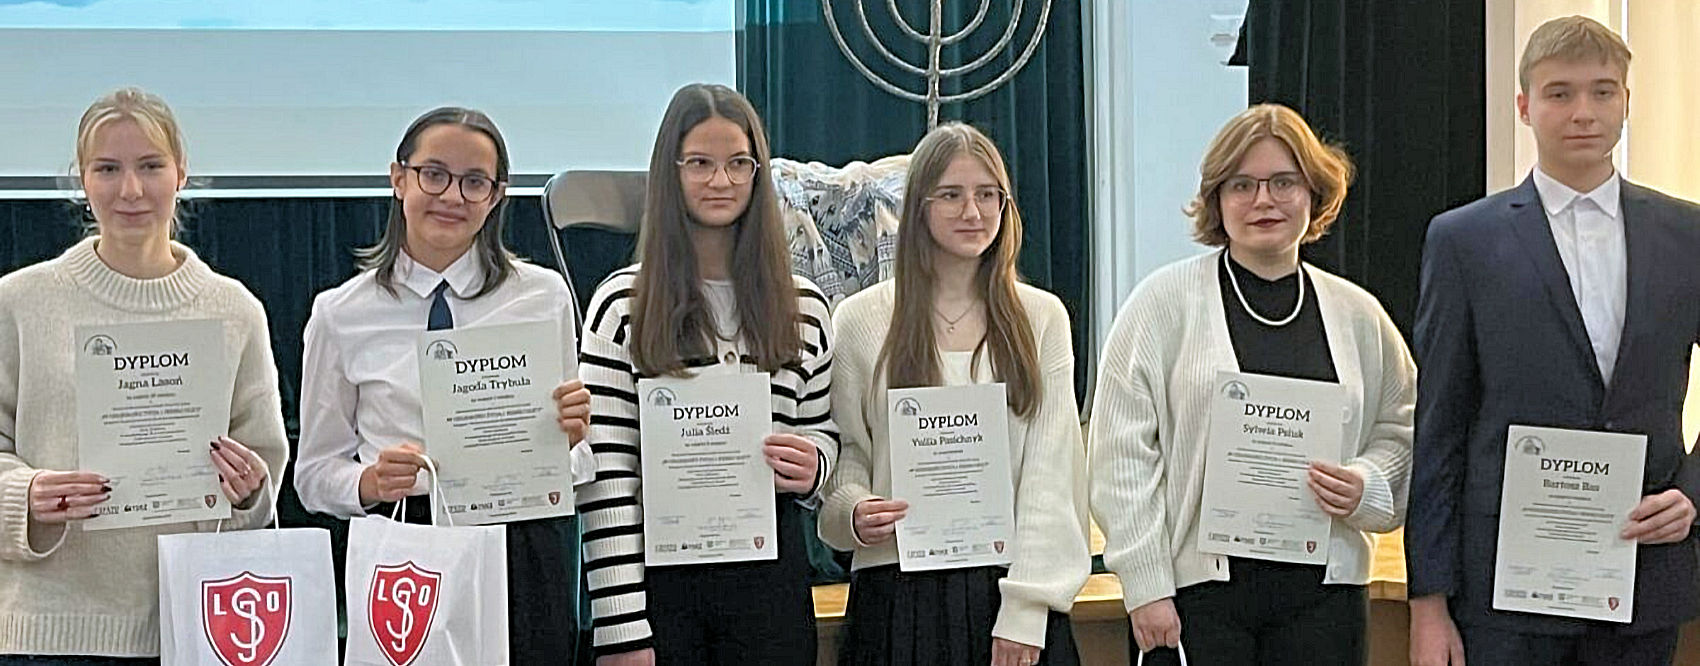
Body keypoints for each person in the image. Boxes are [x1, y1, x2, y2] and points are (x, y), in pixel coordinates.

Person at [1408, 16, 1700, 666]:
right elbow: (1440, 425)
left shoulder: (1688, 235)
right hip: (1505, 591)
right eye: (1560, 93)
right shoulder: (1463, 241)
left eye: (1602, 91)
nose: (1583, 112)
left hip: (1643, 569)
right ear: (1524, 106)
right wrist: (1428, 602)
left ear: (1627, 100)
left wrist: (1693, 492)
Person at [1089, 103, 1415, 666]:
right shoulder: (1162, 305)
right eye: (1242, 185)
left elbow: (1403, 428)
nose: (1264, 200)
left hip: (1326, 599)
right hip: (1195, 602)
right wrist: (1145, 584)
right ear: (1216, 199)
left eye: (1284, 182)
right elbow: (1121, 458)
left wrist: (1368, 485)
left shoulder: (1358, 315)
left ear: (1313, 193)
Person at [292, 106, 594, 664]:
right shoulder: (340, 314)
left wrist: (569, 442)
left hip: (524, 546)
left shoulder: (544, 296)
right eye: (434, 174)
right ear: (398, 178)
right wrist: (369, 483)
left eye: (474, 182)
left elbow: (577, 466)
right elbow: (312, 476)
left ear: (496, 197)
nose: (452, 196)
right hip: (408, 542)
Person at [0, 87, 289, 663]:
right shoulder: (19, 301)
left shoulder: (234, 310)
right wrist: (23, 495)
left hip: (198, 628)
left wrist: (248, 491)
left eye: (151, 166)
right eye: (108, 169)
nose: (130, 190)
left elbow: (263, 474)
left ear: (181, 173)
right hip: (50, 634)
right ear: (82, 179)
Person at [576, 83, 837, 666]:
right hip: (660, 593)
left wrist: (814, 465)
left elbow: (824, 431)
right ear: (669, 173)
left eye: (738, 163)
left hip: (770, 586)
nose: (721, 181)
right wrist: (621, 629)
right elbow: (607, 477)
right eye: (699, 163)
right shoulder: (622, 306)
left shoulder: (806, 307)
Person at [819, 122, 1089, 666]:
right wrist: (851, 512)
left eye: (988, 195)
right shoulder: (860, 320)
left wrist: (1027, 609)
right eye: (951, 195)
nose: (973, 212)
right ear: (918, 206)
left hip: (1006, 592)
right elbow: (848, 455)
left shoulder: (1041, 318)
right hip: (896, 595)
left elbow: (1052, 475)